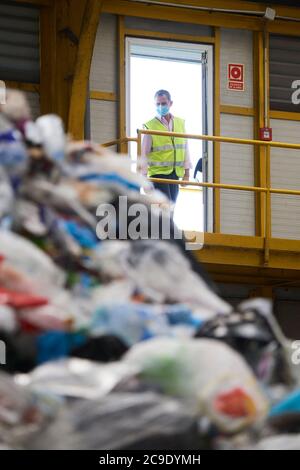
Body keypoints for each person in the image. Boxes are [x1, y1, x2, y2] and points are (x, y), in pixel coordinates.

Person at [141, 89, 192, 203]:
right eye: (157, 104)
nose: (160, 106)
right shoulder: (150, 126)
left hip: (174, 173)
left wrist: (187, 174)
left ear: (170, 103)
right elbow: (143, 155)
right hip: (158, 175)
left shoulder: (180, 123)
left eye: (163, 103)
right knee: (164, 208)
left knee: (171, 207)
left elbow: (185, 149)